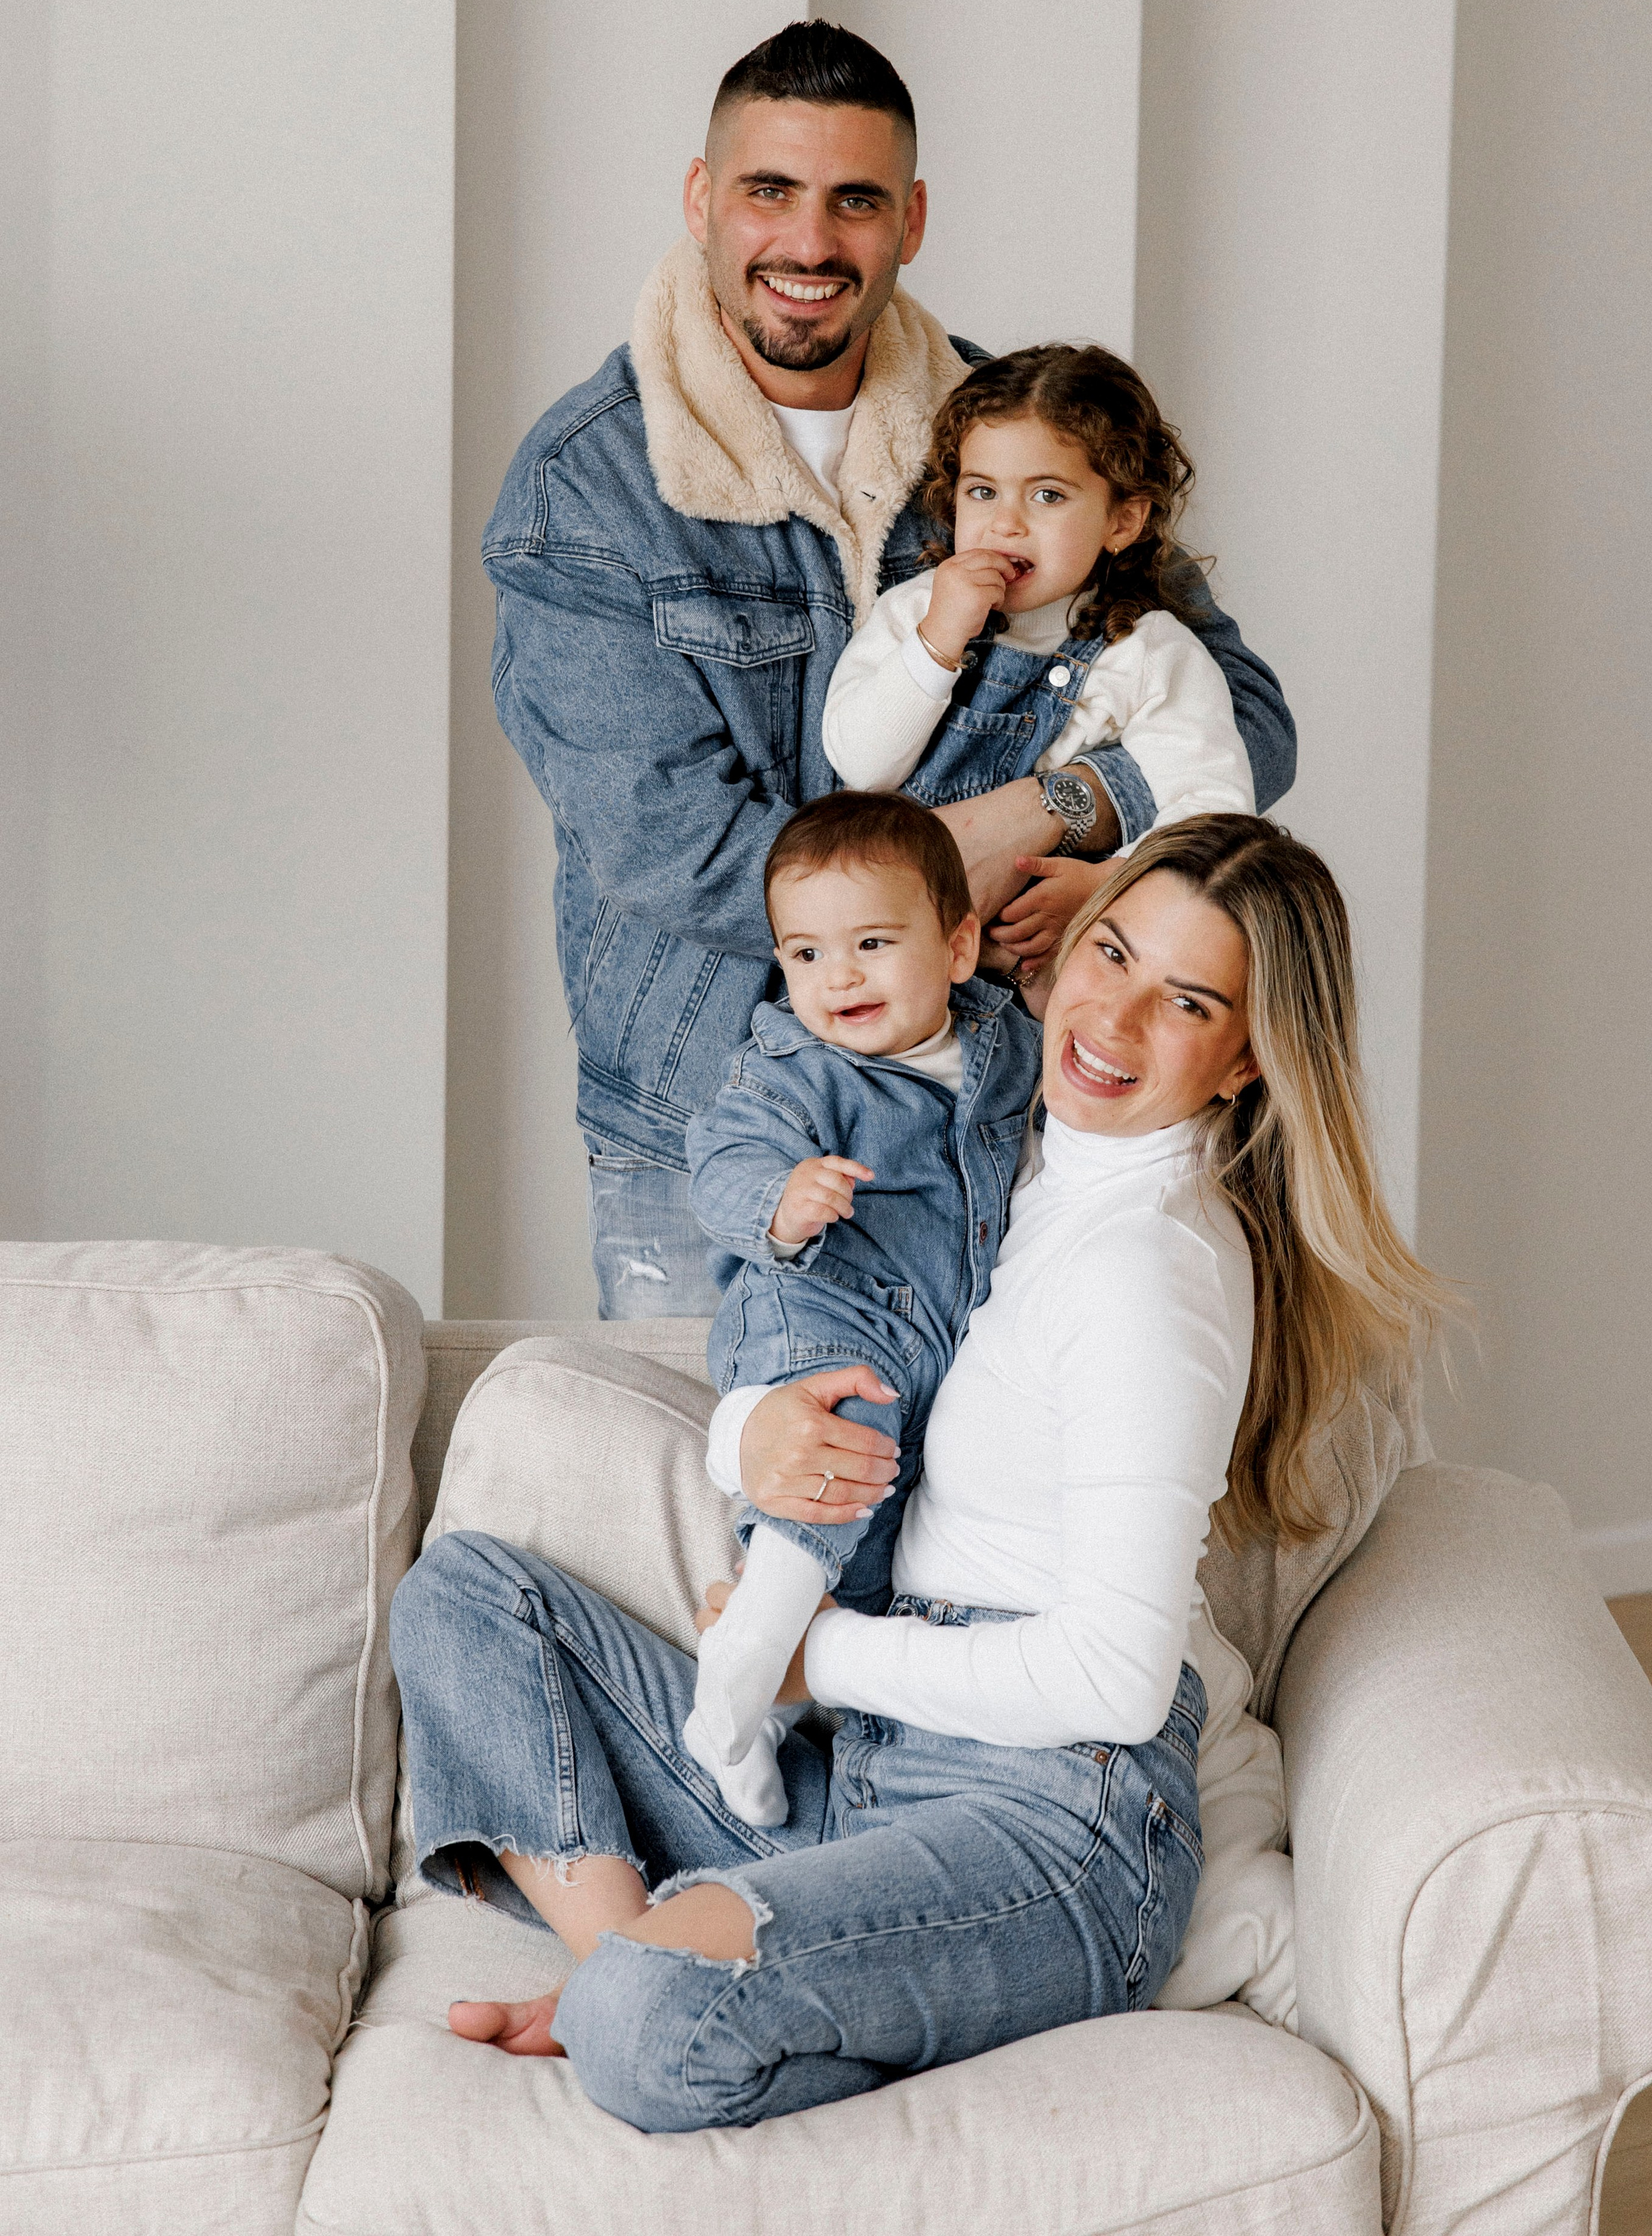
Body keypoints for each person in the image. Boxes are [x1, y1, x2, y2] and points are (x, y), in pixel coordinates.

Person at [390, 813, 1446, 2130]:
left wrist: (809, 1661)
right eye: (1107, 952)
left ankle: (646, 1996)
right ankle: (649, 1968)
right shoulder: (1007, 1157)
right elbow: (853, 1348)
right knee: (467, 1602)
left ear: (1242, 1061)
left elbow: (1112, 1682)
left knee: (649, 2023)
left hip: (1055, 1825)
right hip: (881, 1779)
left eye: (1184, 1000)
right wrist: (745, 1438)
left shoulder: (1147, 1274)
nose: (1110, 1017)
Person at [483, 20, 1295, 1318]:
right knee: (746, 1484)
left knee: (997, 1495)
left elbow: (1242, 715)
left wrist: (1046, 814)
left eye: (853, 201)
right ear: (702, 200)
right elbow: (667, 845)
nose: (809, 245)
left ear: (908, 220)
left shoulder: (1014, 429)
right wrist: (931, 877)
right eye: (769, 191)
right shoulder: (588, 488)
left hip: (1016, 1094)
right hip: (723, 1120)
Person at [681, 791, 1042, 1826]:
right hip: (821, 1312)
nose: (837, 978)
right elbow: (723, 1159)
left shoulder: (1004, 1046)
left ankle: (768, 1712)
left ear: (959, 946)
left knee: (878, 1544)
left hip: (935, 1345)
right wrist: (779, 1200)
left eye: (873, 943)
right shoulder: (796, 1067)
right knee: (848, 1433)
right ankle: (744, 1663)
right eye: (804, 954)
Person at [823, 344, 1254, 975]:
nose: (1006, 523)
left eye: (1047, 496)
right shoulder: (919, 610)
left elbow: (1212, 814)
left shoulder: (1149, 654)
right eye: (981, 491)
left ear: (1123, 519)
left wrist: (1108, 888)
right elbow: (860, 765)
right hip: (894, 975)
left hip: (1050, 978)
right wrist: (938, 641)